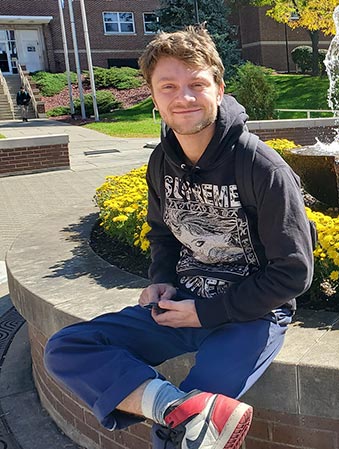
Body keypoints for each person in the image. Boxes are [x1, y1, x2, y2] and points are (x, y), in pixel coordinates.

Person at [43, 26, 315, 449]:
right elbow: (163, 234)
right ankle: (175, 408)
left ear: (219, 89)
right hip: (179, 304)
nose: (183, 97)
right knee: (68, 347)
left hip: (249, 316)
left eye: (196, 84)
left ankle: (178, 418)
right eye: (168, 86)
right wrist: (161, 278)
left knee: (177, 436)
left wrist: (207, 313)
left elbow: (293, 274)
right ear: (154, 96)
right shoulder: (161, 161)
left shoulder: (263, 168)